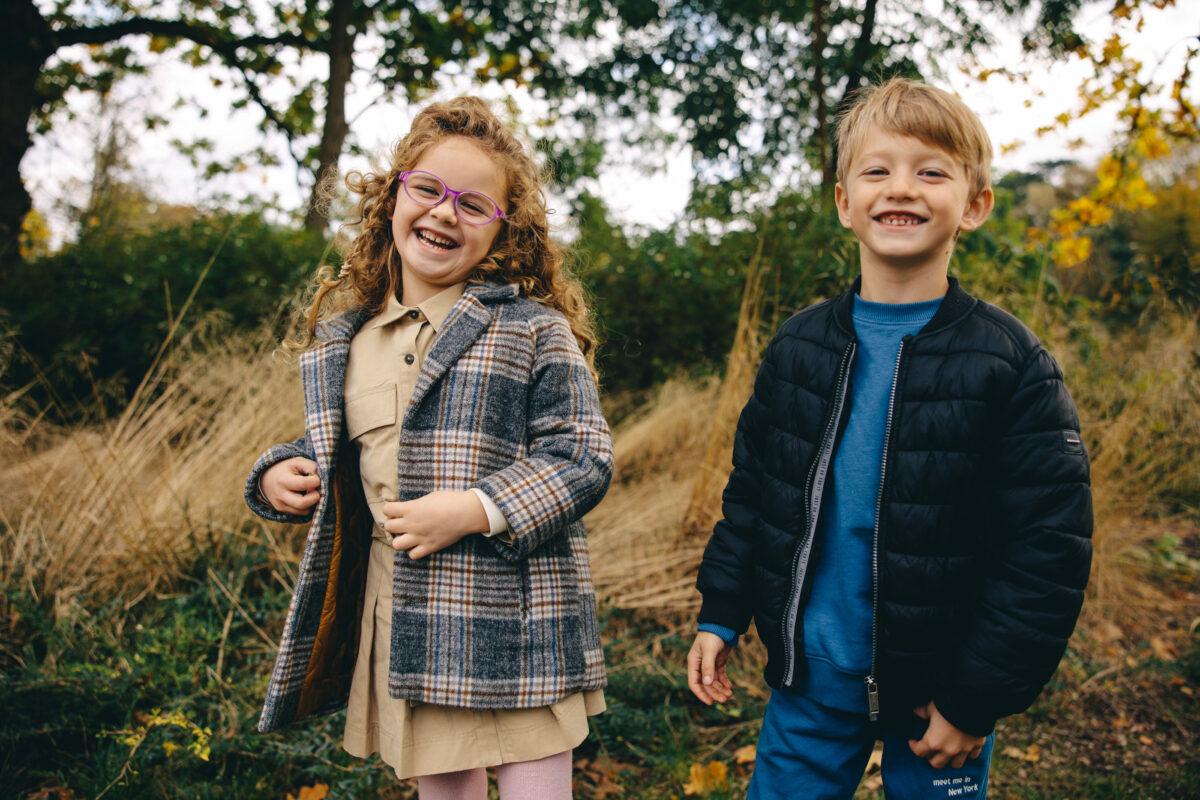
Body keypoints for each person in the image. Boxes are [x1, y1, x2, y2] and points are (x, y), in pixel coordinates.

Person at [686, 77, 1093, 800]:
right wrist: (722, 611)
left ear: (974, 204)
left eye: (931, 171)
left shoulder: (1011, 363)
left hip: (939, 691)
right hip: (810, 679)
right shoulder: (797, 348)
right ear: (844, 201)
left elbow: (1047, 549)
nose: (901, 188)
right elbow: (755, 491)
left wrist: (976, 697)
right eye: (877, 170)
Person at [245, 95, 613, 800]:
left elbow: (583, 455)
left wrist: (476, 508)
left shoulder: (533, 331)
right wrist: (276, 476)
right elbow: (345, 448)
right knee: (445, 787)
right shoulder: (346, 341)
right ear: (392, 200)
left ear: (504, 232)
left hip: (517, 619)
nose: (446, 213)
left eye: (474, 205)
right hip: (412, 618)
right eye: (428, 190)